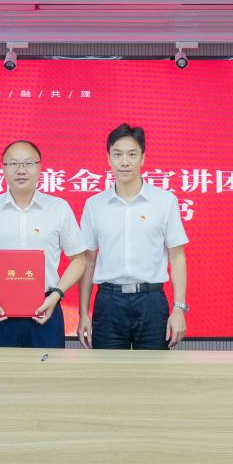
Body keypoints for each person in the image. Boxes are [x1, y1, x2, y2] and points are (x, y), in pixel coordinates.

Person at [77, 124, 189, 350]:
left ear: (143, 158)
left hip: (151, 301)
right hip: (109, 302)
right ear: (109, 159)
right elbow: (88, 261)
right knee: (107, 370)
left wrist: (179, 309)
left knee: (153, 370)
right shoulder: (95, 205)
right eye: (117, 154)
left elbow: (177, 257)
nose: (124, 162)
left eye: (132, 154)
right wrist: (83, 313)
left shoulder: (164, 201)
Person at [0, 140, 88, 348]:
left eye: (29, 163)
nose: (21, 170)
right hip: (0, 310)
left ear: (40, 167)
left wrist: (56, 295)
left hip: (47, 307)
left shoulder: (58, 208)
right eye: (13, 164)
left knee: (47, 369)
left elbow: (79, 259)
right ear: (3, 168)